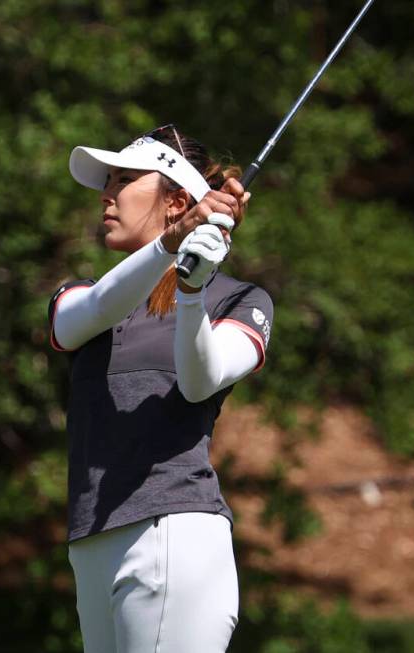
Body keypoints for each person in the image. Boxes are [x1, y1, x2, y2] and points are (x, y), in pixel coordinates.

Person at [48, 124, 273, 653]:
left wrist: (191, 295)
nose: (107, 194)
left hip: (168, 531)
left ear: (176, 201)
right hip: (91, 544)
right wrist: (170, 246)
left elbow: (199, 384)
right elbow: (92, 312)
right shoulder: (81, 294)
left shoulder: (241, 299)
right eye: (108, 181)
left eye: (125, 180)